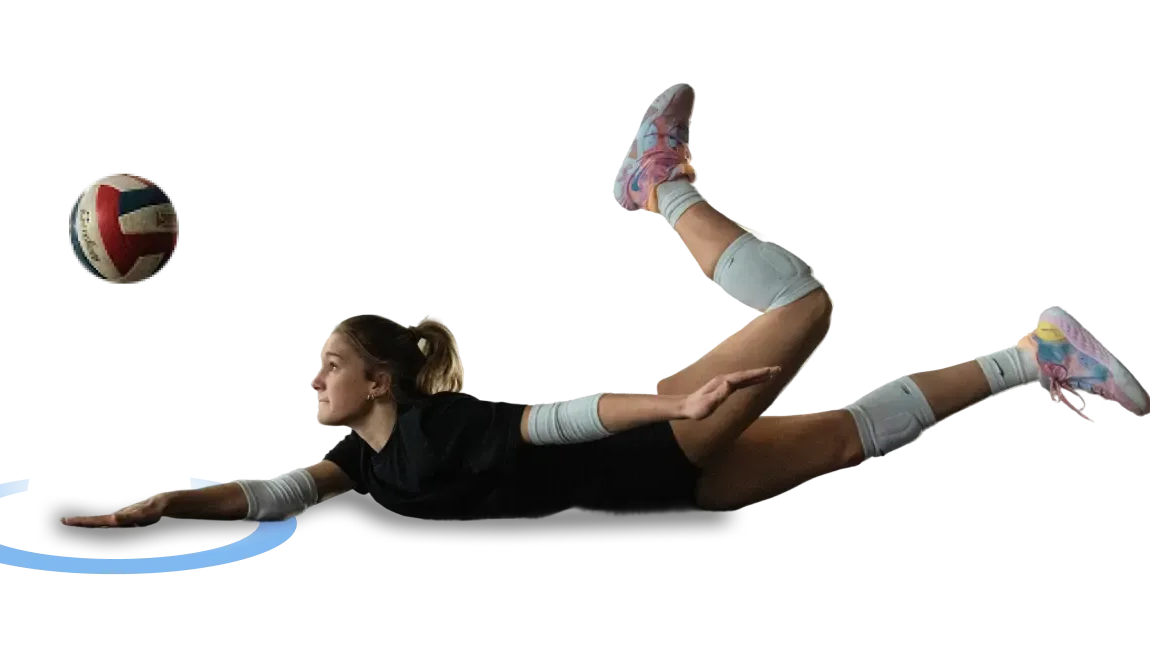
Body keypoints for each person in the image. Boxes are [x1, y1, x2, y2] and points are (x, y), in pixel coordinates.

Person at [63, 81, 1150, 529]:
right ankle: (1030, 352)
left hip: (645, 455)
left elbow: (553, 419)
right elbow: (268, 493)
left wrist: (666, 410)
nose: (313, 382)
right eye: (321, 371)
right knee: (829, 445)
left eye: (326, 366)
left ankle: (659, 187)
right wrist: (168, 507)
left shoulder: (435, 427)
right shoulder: (366, 463)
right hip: (646, 493)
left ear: (379, 380)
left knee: (809, 306)